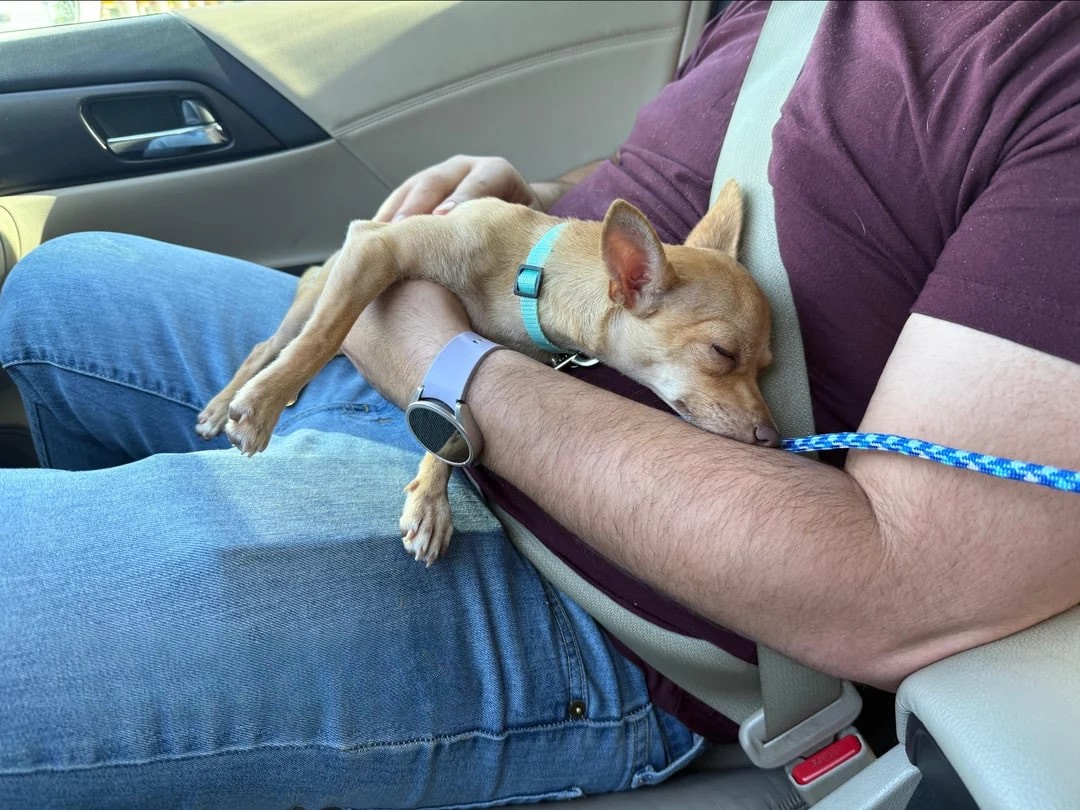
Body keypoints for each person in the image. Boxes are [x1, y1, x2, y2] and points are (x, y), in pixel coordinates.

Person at [1, 1, 1078, 806]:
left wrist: (450, 369)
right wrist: (529, 205)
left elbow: (903, 584)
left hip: (604, 607)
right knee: (57, 287)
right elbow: (656, 185)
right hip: (484, 369)